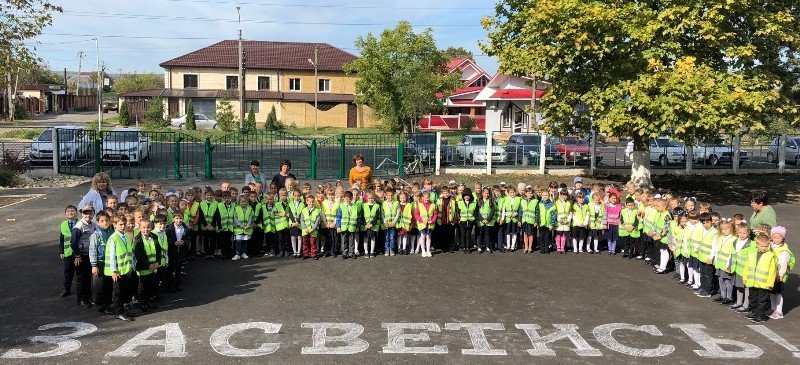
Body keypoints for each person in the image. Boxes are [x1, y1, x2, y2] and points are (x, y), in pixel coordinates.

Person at [106, 215, 135, 321]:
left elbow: (129, 252)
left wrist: (131, 265)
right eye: (120, 225)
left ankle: (123, 309)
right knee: (117, 292)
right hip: (117, 271)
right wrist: (114, 271)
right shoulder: (113, 238)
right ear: (114, 225)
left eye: (124, 224)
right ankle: (118, 312)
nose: (123, 226)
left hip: (126, 269)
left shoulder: (126, 236)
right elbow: (112, 256)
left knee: (124, 291)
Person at [743, 234, 777, 323]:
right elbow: (747, 266)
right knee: (752, 298)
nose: (764, 248)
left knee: (762, 301)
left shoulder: (770, 256)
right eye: (762, 246)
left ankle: (760, 316)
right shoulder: (752, 253)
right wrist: (745, 277)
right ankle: (754, 313)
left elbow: (772, 272)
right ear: (757, 245)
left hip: (764, 283)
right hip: (752, 281)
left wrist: (769, 284)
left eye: (766, 246)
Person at [70, 205, 96, 308]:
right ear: (82, 213)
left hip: (90, 254)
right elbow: (73, 243)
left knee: (88, 277)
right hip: (81, 256)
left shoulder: (94, 224)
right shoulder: (78, 227)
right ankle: (81, 299)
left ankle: (88, 297)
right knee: (81, 278)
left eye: (90, 212)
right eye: (85, 213)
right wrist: (77, 255)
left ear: (93, 213)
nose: (88, 215)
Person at [133, 220, 161, 312]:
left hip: (153, 267)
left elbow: (158, 251)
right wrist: (148, 265)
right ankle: (142, 304)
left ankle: (149, 302)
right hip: (144, 268)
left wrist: (158, 262)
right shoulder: (138, 239)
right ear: (139, 228)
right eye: (144, 227)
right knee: (142, 287)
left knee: (151, 286)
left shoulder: (154, 237)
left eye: (148, 227)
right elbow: (139, 255)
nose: (146, 229)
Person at [88, 211, 113, 315]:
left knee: (108, 284)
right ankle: (101, 305)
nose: (105, 223)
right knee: (99, 286)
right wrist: (94, 265)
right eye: (102, 221)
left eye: (107, 220)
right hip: (99, 263)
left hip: (109, 262)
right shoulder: (95, 235)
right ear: (97, 222)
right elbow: (92, 250)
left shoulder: (112, 233)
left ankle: (107, 304)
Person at [769, 226, 794, 319]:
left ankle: (779, 311)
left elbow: (783, 265)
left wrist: (780, 275)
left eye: (779, 237)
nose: (776, 239)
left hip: (779, 275)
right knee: (772, 292)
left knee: (778, 293)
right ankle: (772, 308)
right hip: (771, 274)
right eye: (774, 237)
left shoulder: (784, 251)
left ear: (783, 238)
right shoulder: (771, 246)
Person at [712, 220, 737, 304]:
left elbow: (732, 253)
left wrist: (728, 265)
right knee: (720, 280)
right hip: (719, 263)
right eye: (722, 229)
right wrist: (715, 261)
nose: (724, 231)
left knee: (727, 281)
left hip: (727, 264)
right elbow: (717, 250)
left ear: (731, 229)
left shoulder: (734, 239)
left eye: (726, 229)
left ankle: (729, 297)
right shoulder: (720, 237)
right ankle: (723, 295)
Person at [59, 205, 79, 298]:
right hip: (67, 253)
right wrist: (61, 251)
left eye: (72, 211)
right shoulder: (63, 224)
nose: (70, 213)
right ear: (65, 214)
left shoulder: (81, 223)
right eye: (68, 211)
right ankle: (67, 289)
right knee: (68, 272)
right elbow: (62, 240)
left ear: (77, 213)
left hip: (79, 253)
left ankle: (81, 290)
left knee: (80, 272)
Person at [165, 212, 188, 292]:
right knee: (170, 269)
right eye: (177, 218)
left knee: (178, 269)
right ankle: (170, 285)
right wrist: (174, 243)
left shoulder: (185, 228)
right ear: (173, 219)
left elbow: (188, 239)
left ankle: (177, 284)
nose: (179, 220)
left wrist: (183, 242)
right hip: (172, 251)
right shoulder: (169, 228)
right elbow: (166, 240)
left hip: (180, 251)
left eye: (180, 218)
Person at [414, 192, 437, 257]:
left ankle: (428, 250)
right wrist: (421, 220)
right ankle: (423, 251)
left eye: (428, 197)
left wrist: (432, 220)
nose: (427, 199)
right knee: (423, 236)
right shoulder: (419, 205)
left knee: (428, 237)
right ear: (422, 198)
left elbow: (435, 214)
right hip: (422, 224)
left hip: (430, 224)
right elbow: (416, 214)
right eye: (425, 198)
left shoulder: (432, 205)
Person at [337, 191, 358, 259]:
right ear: (344, 198)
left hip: (352, 227)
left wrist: (357, 226)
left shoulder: (354, 206)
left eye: (349, 198)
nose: (348, 200)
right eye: (346, 198)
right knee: (344, 240)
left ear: (351, 198)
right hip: (344, 227)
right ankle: (344, 253)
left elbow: (358, 217)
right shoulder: (341, 206)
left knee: (351, 240)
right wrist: (338, 226)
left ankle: (351, 253)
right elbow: (338, 217)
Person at [300, 194, 322, 260]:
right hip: (305, 230)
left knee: (313, 242)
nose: (311, 203)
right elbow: (302, 220)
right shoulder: (303, 210)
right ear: (306, 202)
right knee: (305, 242)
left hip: (313, 230)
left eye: (313, 202)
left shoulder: (317, 211)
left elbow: (317, 221)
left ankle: (313, 254)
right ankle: (305, 254)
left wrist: (313, 228)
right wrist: (305, 228)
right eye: (310, 202)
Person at [232, 194, 254, 260]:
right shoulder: (236, 208)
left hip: (247, 229)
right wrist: (241, 226)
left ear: (247, 201)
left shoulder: (250, 209)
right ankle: (237, 254)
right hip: (239, 229)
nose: (243, 203)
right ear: (239, 202)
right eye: (241, 202)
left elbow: (251, 218)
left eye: (244, 201)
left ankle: (243, 253)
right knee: (238, 242)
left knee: (245, 241)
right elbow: (235, 219)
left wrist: (247, 226)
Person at [476, 187, 496, 254]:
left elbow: (492, 211)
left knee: (487, 234)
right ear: (482, 193)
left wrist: (488, 219)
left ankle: (487, 246)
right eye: (485, 193)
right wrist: (481, 219)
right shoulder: (479, 200)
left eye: (488, 193)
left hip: (488, 221)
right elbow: (477, 211)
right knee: (480, 234)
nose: (486, 195)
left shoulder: (491, 201)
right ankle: (479, 247)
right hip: (480, 221)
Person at [361, 192, 381, 258]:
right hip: (365, 226)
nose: (370, 199)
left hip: (373, 226)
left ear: (374, 198)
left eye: (372, 198)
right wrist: (365, 224)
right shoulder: (363, 205)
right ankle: (366, 252)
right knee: (365, 238)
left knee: (373, 238)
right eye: (369, 198)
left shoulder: (377, 206)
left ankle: (372, 252)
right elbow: (362, 216)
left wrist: (372, 224)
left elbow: (377, 216)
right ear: (366, 198)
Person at [553, 190, 572, 254]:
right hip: (559, 222)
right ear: (559, 195)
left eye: (565, 195)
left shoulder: (569, 203)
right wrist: (559, 220)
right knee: (558, 235)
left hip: (566, 222)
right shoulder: (556, 202)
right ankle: (558, 248)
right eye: (562, 195)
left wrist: (568, 220)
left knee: (564, 235)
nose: (564, 196)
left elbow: (570, 213)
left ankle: (562, 248)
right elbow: (555, 212)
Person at [382, 188, 399, 256]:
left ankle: (391, 250)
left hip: (393, 224)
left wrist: (394, 222)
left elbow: (398, 213)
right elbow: (382, 214)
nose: (390, 197)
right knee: (386, 237)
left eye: (391, 195)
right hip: (386, 224)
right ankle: (387, 249)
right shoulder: (383, 203)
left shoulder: (396, 203)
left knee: (392, 237)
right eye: (388, 195)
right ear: (386, 196)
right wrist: (385, 222)